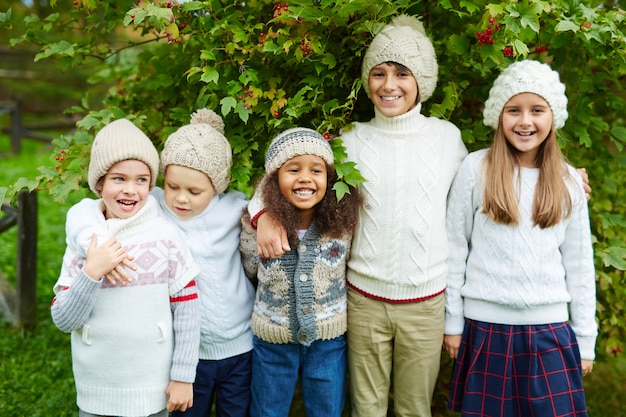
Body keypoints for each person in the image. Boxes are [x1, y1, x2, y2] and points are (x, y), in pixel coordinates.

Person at [250, 15, 467, 417]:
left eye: (402, 74)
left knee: (414, 408)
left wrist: (562, 174)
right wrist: (263, 214)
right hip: (363, 297)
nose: (389, 85)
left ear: (422, 80)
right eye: (379, 73)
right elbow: (286, 177)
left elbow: (484, 186)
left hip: (426, 300)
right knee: (366, 408)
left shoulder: (447, 138)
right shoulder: (349, 141)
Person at [443, 60, 597, 417]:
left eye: (537, 110)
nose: (525, 121)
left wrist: (585, 338)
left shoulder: (569, 180)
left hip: (550, 331)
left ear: (552, 117)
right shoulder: (476, 169)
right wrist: (453, 322)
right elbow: (454, 247)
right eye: (514, 110)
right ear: (499, 116)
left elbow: (580, 265)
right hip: (485, 329)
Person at [50, 118, 201, 417]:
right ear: (100, 183)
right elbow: (63, 320)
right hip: (96, 390)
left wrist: (183, 376)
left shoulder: (166, 236)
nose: (130, 190)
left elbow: (188, 310)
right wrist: (92, 272)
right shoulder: (87, 242)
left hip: (152, 388)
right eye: (119, 179)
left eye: (141, 180)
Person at [239, 127, 363, 417]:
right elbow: (249, 267)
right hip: (273, 339)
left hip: (327, 339)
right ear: (274, 180)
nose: (305, 178)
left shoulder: (341, 225)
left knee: (327, 410)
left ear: (328, 178)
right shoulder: (255, 225)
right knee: (267, 410)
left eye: (316, 170)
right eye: (293, 169)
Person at [151, 108, 256, 417]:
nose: (181, 199)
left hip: (240, 347)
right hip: (186, 355)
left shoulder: (233, 209)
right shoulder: (154, 208)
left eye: (195, 191)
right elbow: (96, 206)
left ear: (218, 187)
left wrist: (271, 223)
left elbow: (268, 205)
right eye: (173, 186)